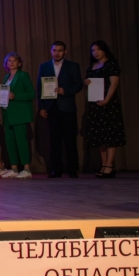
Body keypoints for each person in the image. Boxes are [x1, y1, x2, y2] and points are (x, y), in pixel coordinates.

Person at [37, 41, 83, 178]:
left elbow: (78, 85)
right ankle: (56, 169)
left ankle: (72, 169)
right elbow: (40, 88)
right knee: (54, 140)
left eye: (60, 50)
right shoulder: (44, 66)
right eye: (54, 50)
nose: (57, 53)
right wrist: (42, 107)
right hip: (51, 108)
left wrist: (65, 91)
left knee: (70, 139)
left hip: (67, 107)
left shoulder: (73, 66)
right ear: (51, 51)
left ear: (65, 51)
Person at [84, 40, 126, 178]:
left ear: (104, 50)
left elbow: (114, 84)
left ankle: (109, 165)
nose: (95, 52)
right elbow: (90, 84)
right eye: (93, 50)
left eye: (98, 49)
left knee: (110, 135)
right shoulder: (92, 66)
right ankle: (104, 164)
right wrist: (86, 82)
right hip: (95, 104)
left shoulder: (111, 64)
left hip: (109, 104)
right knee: (100, 135)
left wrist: (106, 100)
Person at [0, 52, 35, 179]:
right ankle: (14, 168)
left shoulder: (23, 75)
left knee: (21, 141)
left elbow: (31, 93)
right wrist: (0, 96)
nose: (11, 63)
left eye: (14, 60)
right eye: (9, 60)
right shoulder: (6, 77)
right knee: (10, 142)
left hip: (20, 114)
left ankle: (26, 169)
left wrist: (16, 96)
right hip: (8, 114)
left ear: (19, 63)